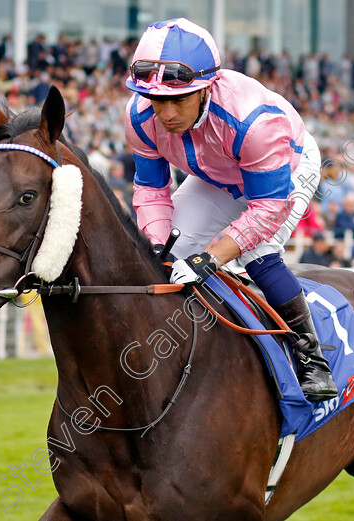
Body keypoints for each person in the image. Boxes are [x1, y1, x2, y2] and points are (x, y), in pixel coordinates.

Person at [124, 18, 335, 401]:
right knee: (168, 257)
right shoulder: (140, 117)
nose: (166, 114)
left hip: (286, 169)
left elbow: (268, 208)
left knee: (256, 251)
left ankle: (310, 356)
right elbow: (152, 189)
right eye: (157, 100)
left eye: (177, 99)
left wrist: (211, 258)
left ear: (207, 88)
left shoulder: (255, 121)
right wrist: (155, 244)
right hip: (217, 172)